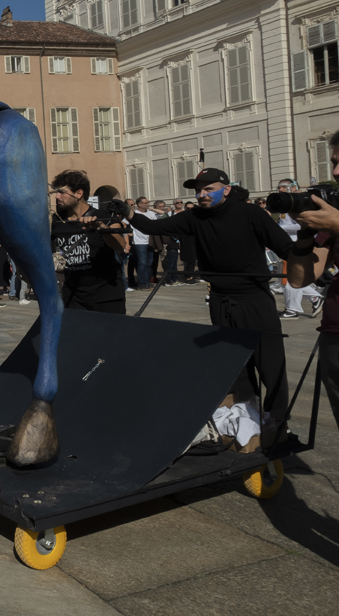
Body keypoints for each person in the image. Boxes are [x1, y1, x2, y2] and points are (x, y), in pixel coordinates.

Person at [128, 168, 294, 429]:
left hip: (254, 299)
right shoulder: (193, 217)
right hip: (220, 299)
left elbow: (286, 247)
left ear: (226, 189)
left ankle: (278, 418)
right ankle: (244, 416)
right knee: (233, 364)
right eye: (198, 190)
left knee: (270, 363)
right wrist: (128, 213)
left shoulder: (250, 214)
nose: (202, 194)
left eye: (209, 188)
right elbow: (153, 226)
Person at [286, 134, 339, 432]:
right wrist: (305, 233)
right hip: (334, 336)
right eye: (334, 162)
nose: (335, 172)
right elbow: (300, 278)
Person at [50, 170, 129, 314]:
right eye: (56, 192)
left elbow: (120, 245)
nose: (57, 196)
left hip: (105, 295)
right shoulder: (57, 221)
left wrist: (101, 227)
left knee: (110, 336)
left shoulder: (104, 217)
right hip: (72, 296)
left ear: (79, 193)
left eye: (61, 192)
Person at [275, 181, 323, 319]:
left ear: (293, 187)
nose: (280, 189)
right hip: (287, 245)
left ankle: (294, 308)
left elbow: (304, 224)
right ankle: (314, 298)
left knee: (289, 278)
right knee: (286, 279)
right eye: (279, 187)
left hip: (296, 245)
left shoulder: (298, 203)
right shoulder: (285, 203)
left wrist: (278, 229)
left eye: (283, 187)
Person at [129, 197, 156, 289]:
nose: (147, 204)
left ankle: (147, 282)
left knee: (149, 263)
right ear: (139, 204)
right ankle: (142, 283)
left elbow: (156, 224)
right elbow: (124, 223)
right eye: (145, 203)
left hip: (150, 241)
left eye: (148, 202)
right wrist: (130, 232)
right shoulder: (134, 214)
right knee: (142, 263)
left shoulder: (151, 214)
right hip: (139, 242)